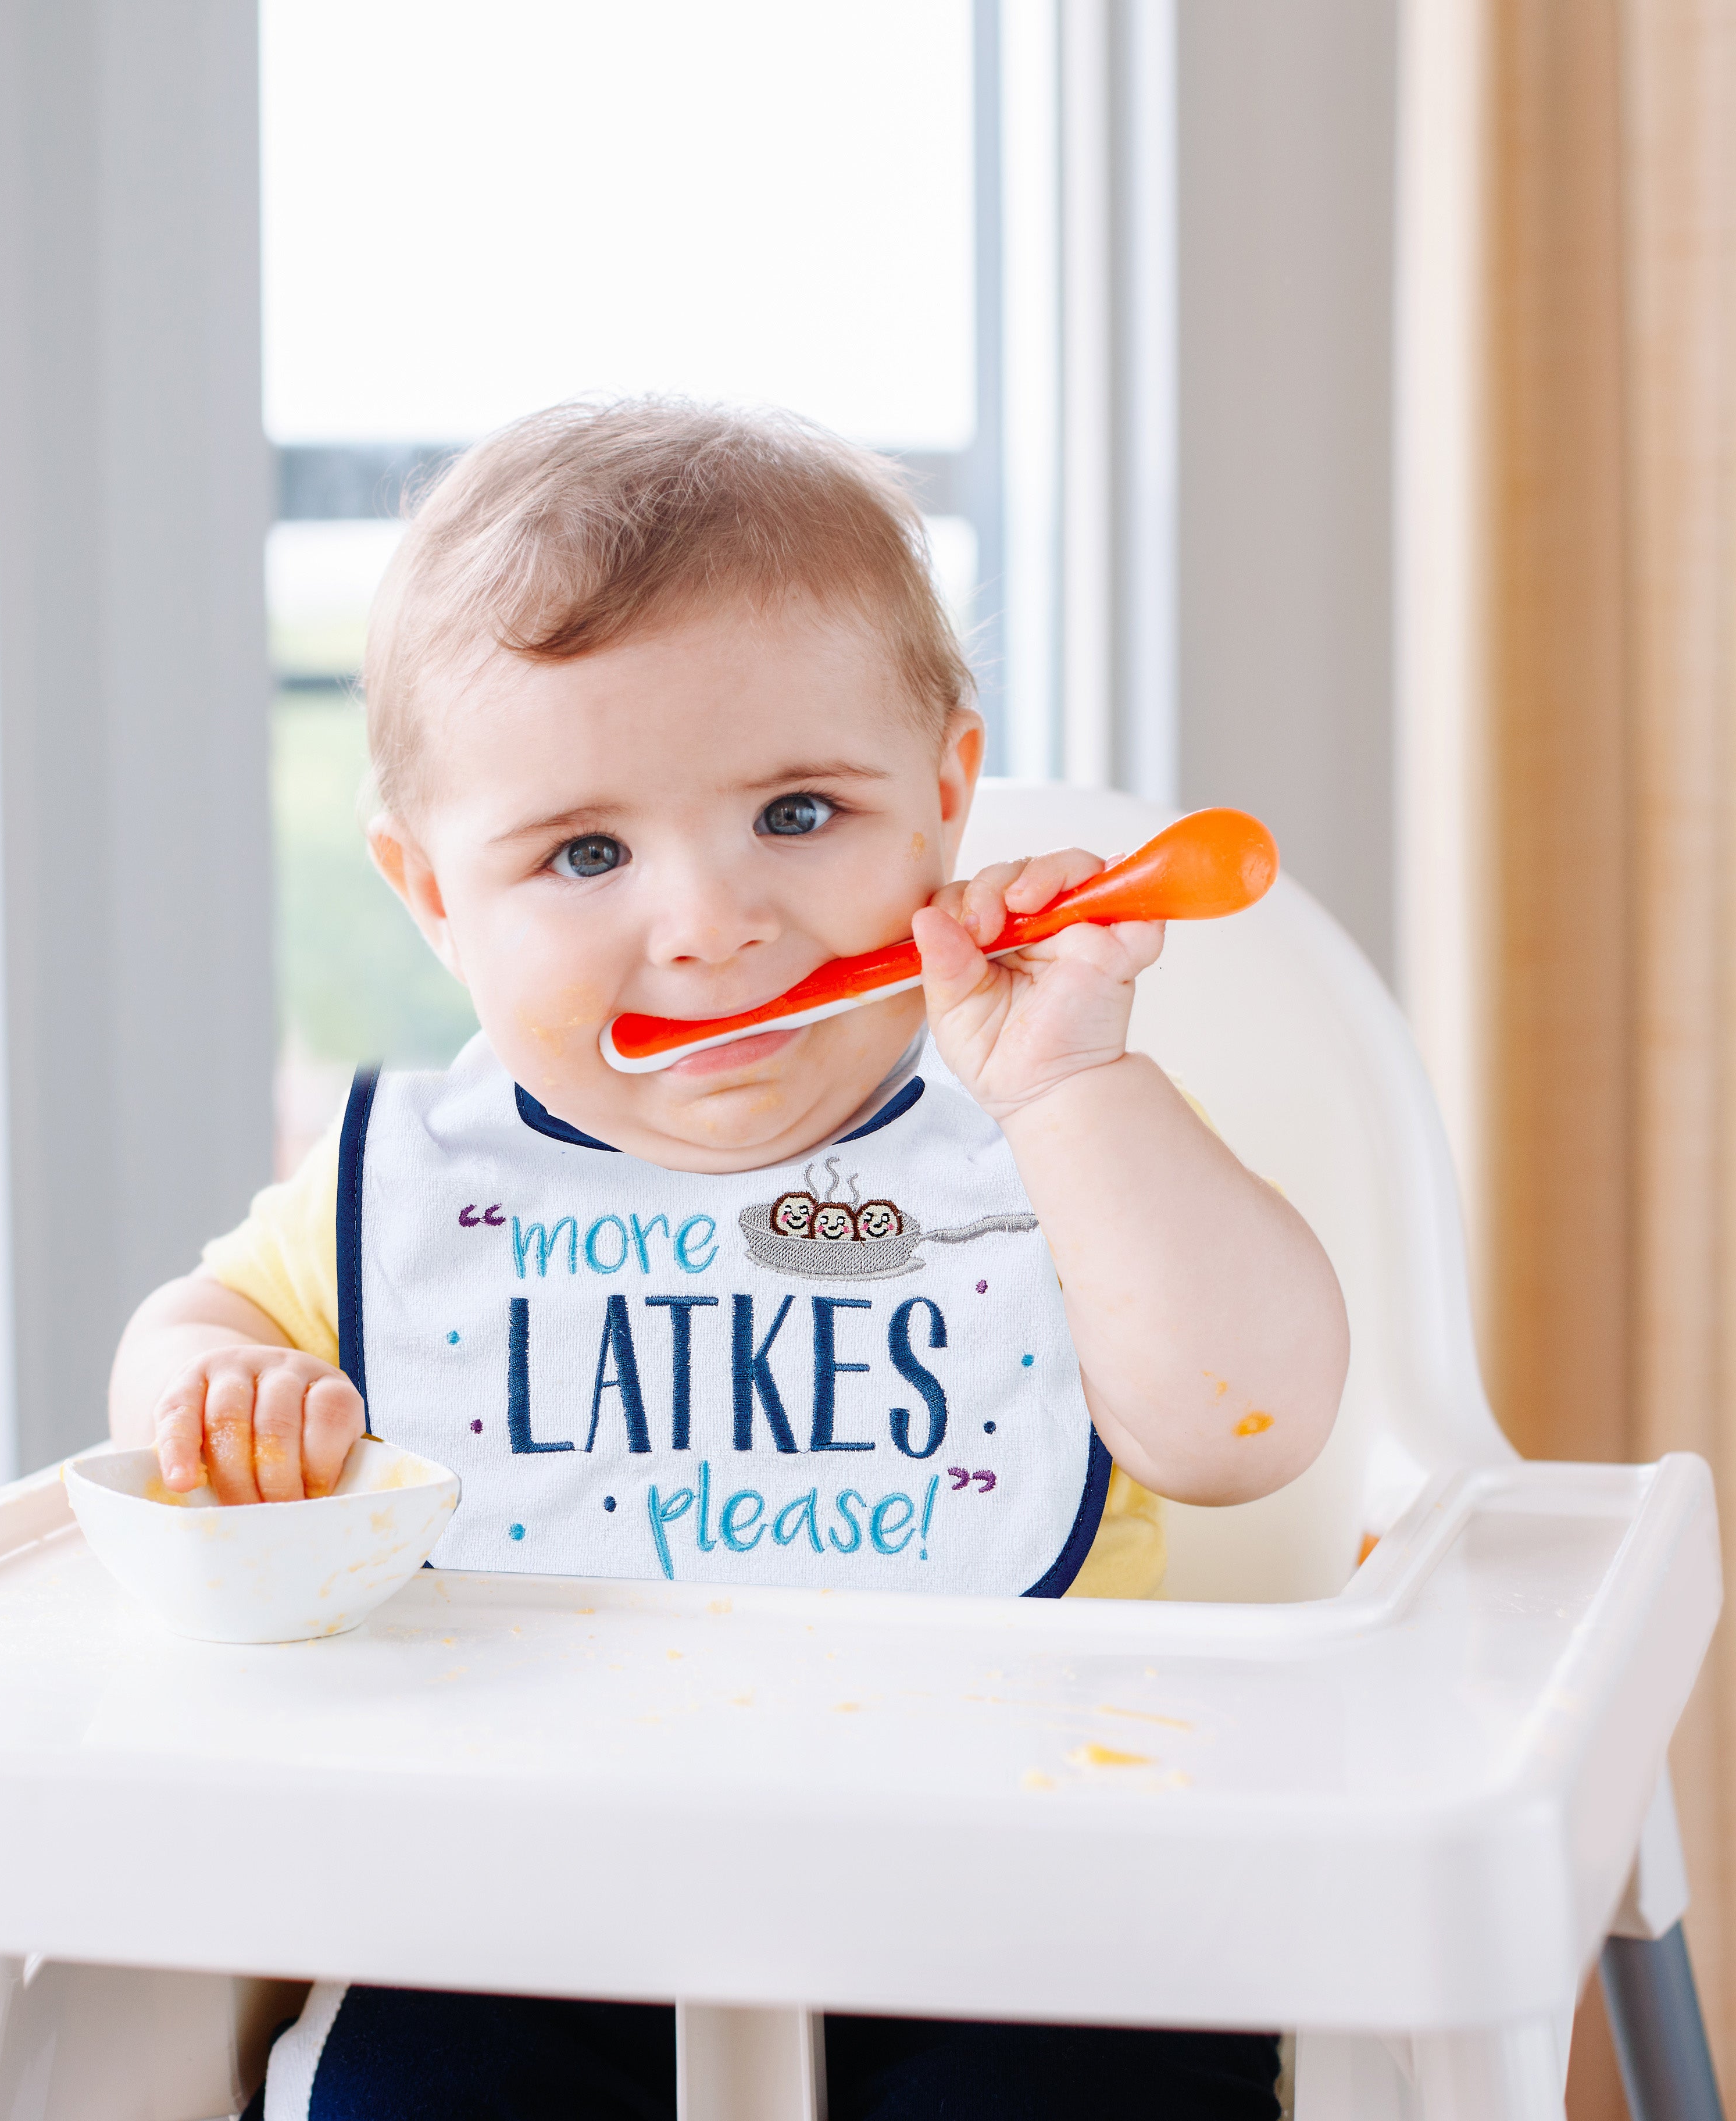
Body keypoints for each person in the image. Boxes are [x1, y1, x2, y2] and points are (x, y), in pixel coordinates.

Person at [109, 398, 1348, 2121]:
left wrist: (1073, 1083)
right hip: (524, 1929)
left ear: (943, 801)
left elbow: (1249, 1429)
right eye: (586, 853)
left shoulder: (1036, 1128)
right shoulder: (430, 1190)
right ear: (430, 897)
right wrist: (219, 1394)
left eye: (797, 814)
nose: (708, 921)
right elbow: (198, 1323)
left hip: (1023, 1923)